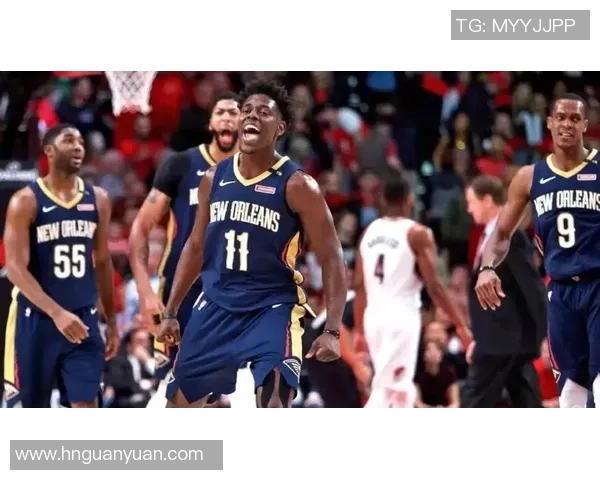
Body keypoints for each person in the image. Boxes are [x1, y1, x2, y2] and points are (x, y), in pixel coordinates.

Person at [156, 79, 347, 408]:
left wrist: (332, 330)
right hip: (216, 303)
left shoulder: (298, 185)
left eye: (264, 112)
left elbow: (332, 258)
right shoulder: (213, 178)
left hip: (271, 307)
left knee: (274, 401)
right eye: (246, 110)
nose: (252, 116)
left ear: (280, 128)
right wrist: (170, 312)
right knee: (180, 407)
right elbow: (196, 246)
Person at [475, 93, 600, 408]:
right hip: (560, 292)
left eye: (575, 118)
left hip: (598, 286)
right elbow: (501, 233)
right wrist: (487, 268)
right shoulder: (529, 177)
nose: (567, 124)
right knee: (570, 391)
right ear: (549, 123)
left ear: (585, 125)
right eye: (561, 117)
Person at [127, 92, 243, 408]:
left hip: (231, 293)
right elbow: (140, 228)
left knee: (217, 394)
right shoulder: (182, 164)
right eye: (221, 112)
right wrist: (145, 293)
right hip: (182, 292)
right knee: (180, 388)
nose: (227, 118)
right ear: (210, 123)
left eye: (234, 112)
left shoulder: (259, 173)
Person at [3, 123, 119, 408]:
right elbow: (15, 268)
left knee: (86, 407)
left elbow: (102, 261)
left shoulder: (98, 199)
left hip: (83, 319)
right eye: (69, 140)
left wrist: (112, 323)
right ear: (49, 151)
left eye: (81, 142)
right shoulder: (25, 201)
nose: (78, 147)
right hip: (36, 319)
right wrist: (56, 313)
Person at [353, 176, 472, 408]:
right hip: (400, 317)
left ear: (383, 199)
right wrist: (460, 324)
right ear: (410, 199)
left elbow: (360, 287)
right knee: (392, 389)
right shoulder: (417, 233)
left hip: (373, 317)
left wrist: (359, 330)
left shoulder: (370, 232)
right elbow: (435, 286)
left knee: (396, 389)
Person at [462, 175, 545, 408]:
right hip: (504, 340)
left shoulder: (510, 237)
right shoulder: (494, 235)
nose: (469, 209)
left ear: (487, 200)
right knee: (525, 398)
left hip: (501, 341)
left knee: (474, 400)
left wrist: (544, 333)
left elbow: (532, 287)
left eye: (471, 202)